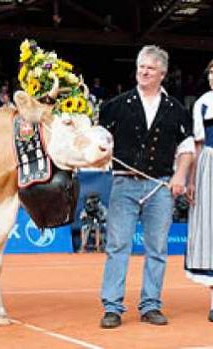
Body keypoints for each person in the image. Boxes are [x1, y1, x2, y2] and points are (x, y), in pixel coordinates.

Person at [99, 45, 194, 328]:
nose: (144, 71)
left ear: (162, 74)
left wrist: (180, 176)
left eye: (150, 68)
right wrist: (100, 150)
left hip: (160, 187)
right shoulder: (115, 105)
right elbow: (100, 139)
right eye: (141, 66)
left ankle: (151, 305)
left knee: (157, 248)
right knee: (118, 246)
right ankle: (112, 307)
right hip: (123, 184)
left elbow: (187, 148)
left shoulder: (175, 109)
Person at [185, 59, 213, 322]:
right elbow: (197, 145)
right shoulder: (203, 102)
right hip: (209, 164)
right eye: (212, 74)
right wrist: (191, 180)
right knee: (210, 230)